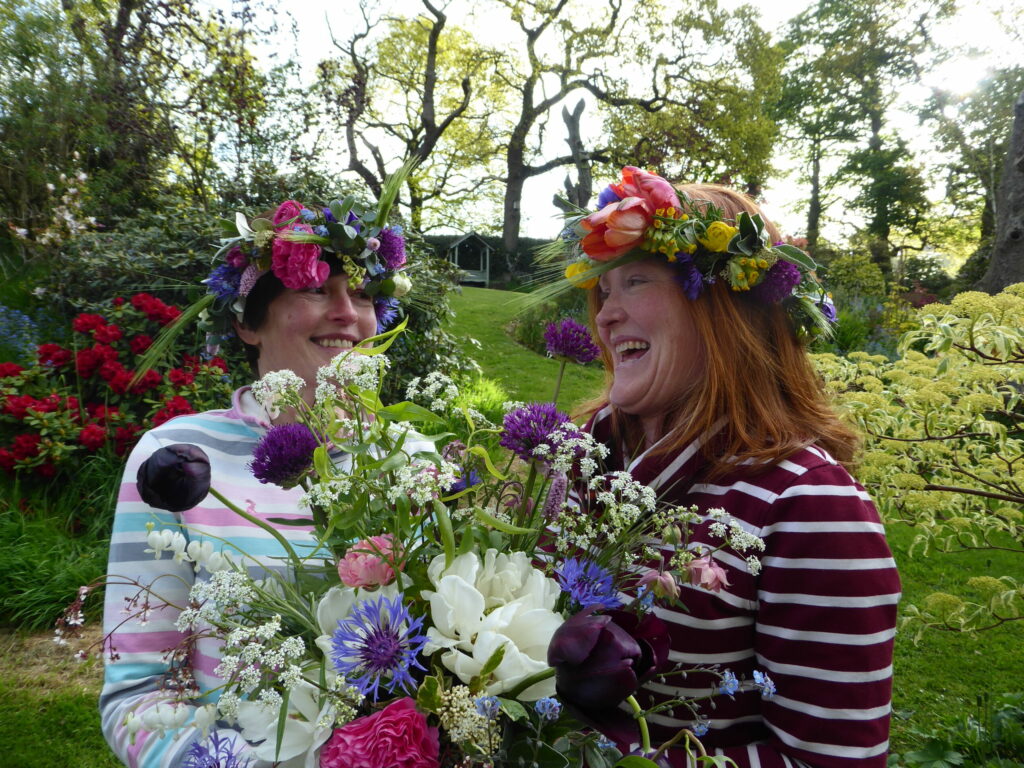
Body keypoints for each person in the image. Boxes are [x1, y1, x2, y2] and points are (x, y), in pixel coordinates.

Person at [556, 166, 900, 767]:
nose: (605, 318)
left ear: (722, 311)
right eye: (603, 294)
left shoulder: (809, 506)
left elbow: (831, 760)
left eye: (634, 282)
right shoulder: (582, 452)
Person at [99, 182, 419, 767]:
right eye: (317, 288)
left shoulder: (418, 458)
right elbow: (138, 694)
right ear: (249, 323)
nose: (348, 312)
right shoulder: (178, 456)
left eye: (365, 294)